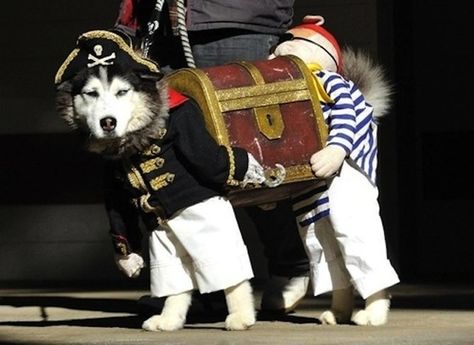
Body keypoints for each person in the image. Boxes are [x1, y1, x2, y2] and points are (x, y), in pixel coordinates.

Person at [114, 0, 310, 313]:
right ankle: (204, 288)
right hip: (161, 22)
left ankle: (289, 264)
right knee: (174, 165)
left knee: (252, 150)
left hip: (236, 19)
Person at [270, 15, 400, 325]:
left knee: (354, 228)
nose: (275, 55)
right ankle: (341, 300)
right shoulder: (291, 95)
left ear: (318, 51)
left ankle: (377, 297)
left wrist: (337, 148)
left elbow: (348, 115)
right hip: (310, 181)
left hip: (346, 172)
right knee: (319, 236)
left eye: (286, 47)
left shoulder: (330, 82)